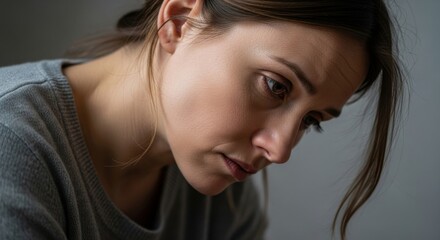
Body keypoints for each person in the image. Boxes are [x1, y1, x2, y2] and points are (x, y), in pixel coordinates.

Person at [0, 0, 404, 239]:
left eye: (311, 120)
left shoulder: (226, 201)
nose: (280, 150)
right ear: (178, 22)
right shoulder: (11, 142)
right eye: (276, 87)